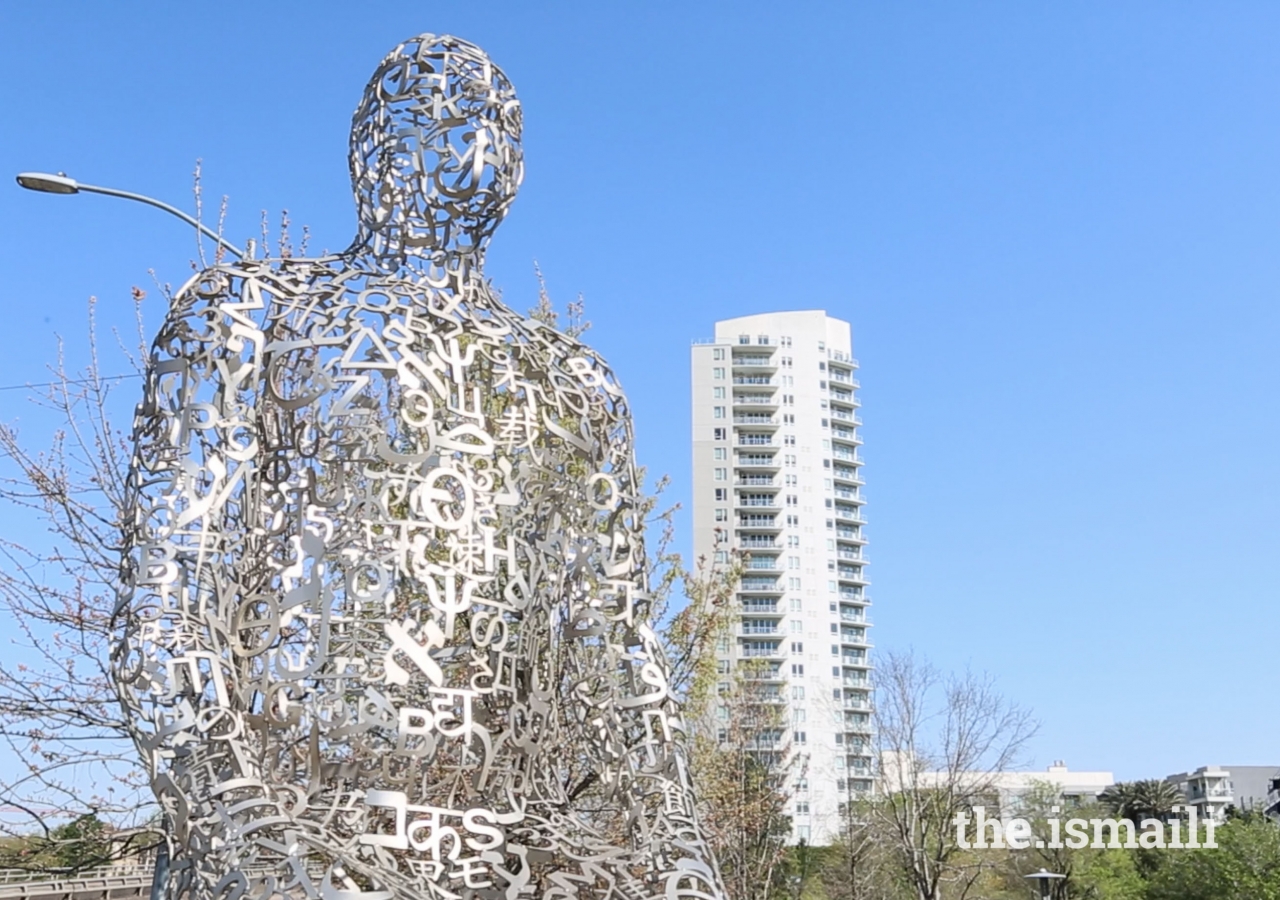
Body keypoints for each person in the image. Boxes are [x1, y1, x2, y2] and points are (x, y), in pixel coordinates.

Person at [113, 33, 725, 900]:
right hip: (295, 826)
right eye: (439, 115)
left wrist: (680, 849)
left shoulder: (577, 384)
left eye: (498, 122)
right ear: (368, 145)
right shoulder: (248, 314)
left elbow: (618, 650)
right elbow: (162, 609)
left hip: (502, 847)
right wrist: (239, 821)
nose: (474, 142)